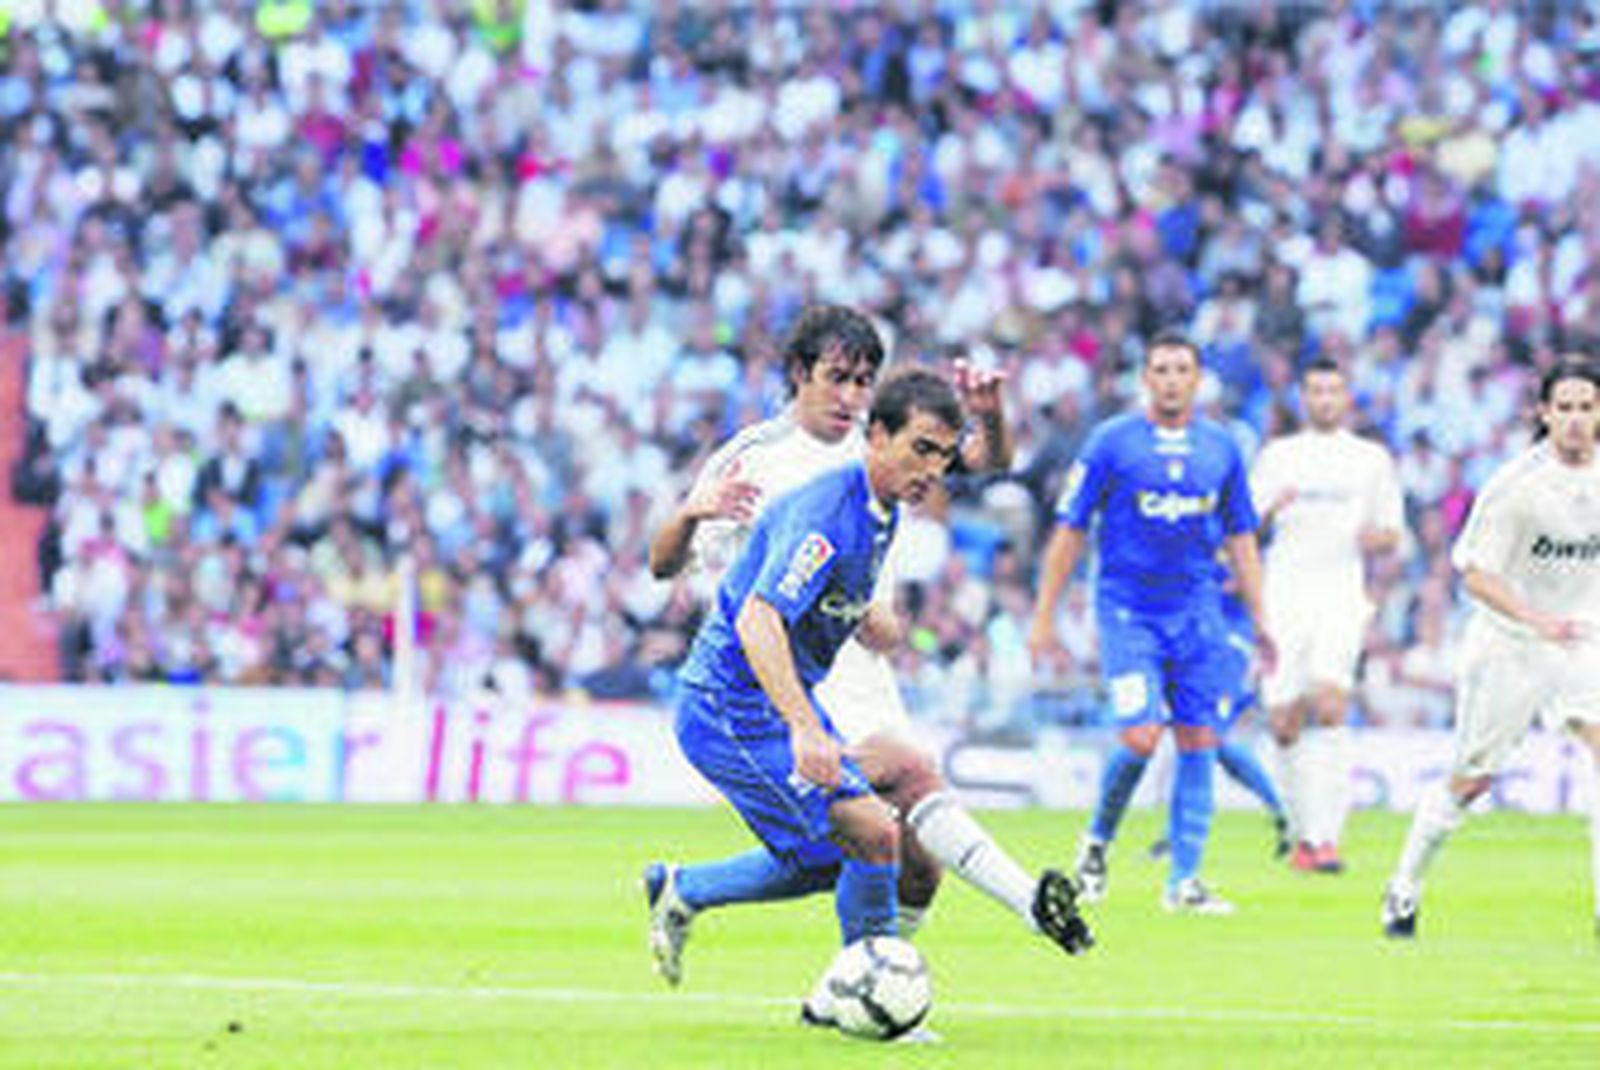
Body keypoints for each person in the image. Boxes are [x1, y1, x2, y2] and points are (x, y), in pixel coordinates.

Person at [644, 306, 1089, 995]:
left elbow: (983, 462)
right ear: (800, 374)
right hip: (756, 687)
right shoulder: (763, 462)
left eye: (863, 381)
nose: (850, 395)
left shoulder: (883, 460)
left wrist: (991, 416)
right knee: (870, 838)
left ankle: (882, 972)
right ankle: (863, 990)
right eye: (838, 378)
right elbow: (711, 588)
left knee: (910, 837)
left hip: (828, 673)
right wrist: (688, 513)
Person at [1028, 333, 1274, 914]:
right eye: (1160, 369)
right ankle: (1096, 842)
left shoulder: (1222, 447)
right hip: (1127, 611)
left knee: (1199, 736)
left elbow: (1241, 536)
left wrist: (1262, 617)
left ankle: (1184, 883)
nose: (1170, 380)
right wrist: (1043, 616)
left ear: (1198, 380)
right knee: (1140, 736)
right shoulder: (1111, 442)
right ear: (1145, 378)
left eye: (1181, 369)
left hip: (1198, 610)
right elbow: (1070, 528)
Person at [1382, 359, 1600, 940]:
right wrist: (1536, 619)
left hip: (1583, 642)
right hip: (1512, 644)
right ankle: (1404, 886)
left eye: (1587, 407)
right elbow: (1476, 576)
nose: (1577, 419)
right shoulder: (1516, 486)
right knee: (1471, 779)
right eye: (1566, 408)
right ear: (1544, 413)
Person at [1251, 357, 1405, 874]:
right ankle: (1301, 835)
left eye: (1333, 391)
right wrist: (1271, 510)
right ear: (1303, 398)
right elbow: (1243, 526)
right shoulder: (1278, 457)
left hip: (1340, 593)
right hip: (1283, 596)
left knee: (1331, 702)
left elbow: (1391, 532)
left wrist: (1371, 538)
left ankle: (1327, 839)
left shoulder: (1370, 459)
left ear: (1347, 398)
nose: (1324, 399)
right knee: (1284, 721)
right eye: (1315, 391)